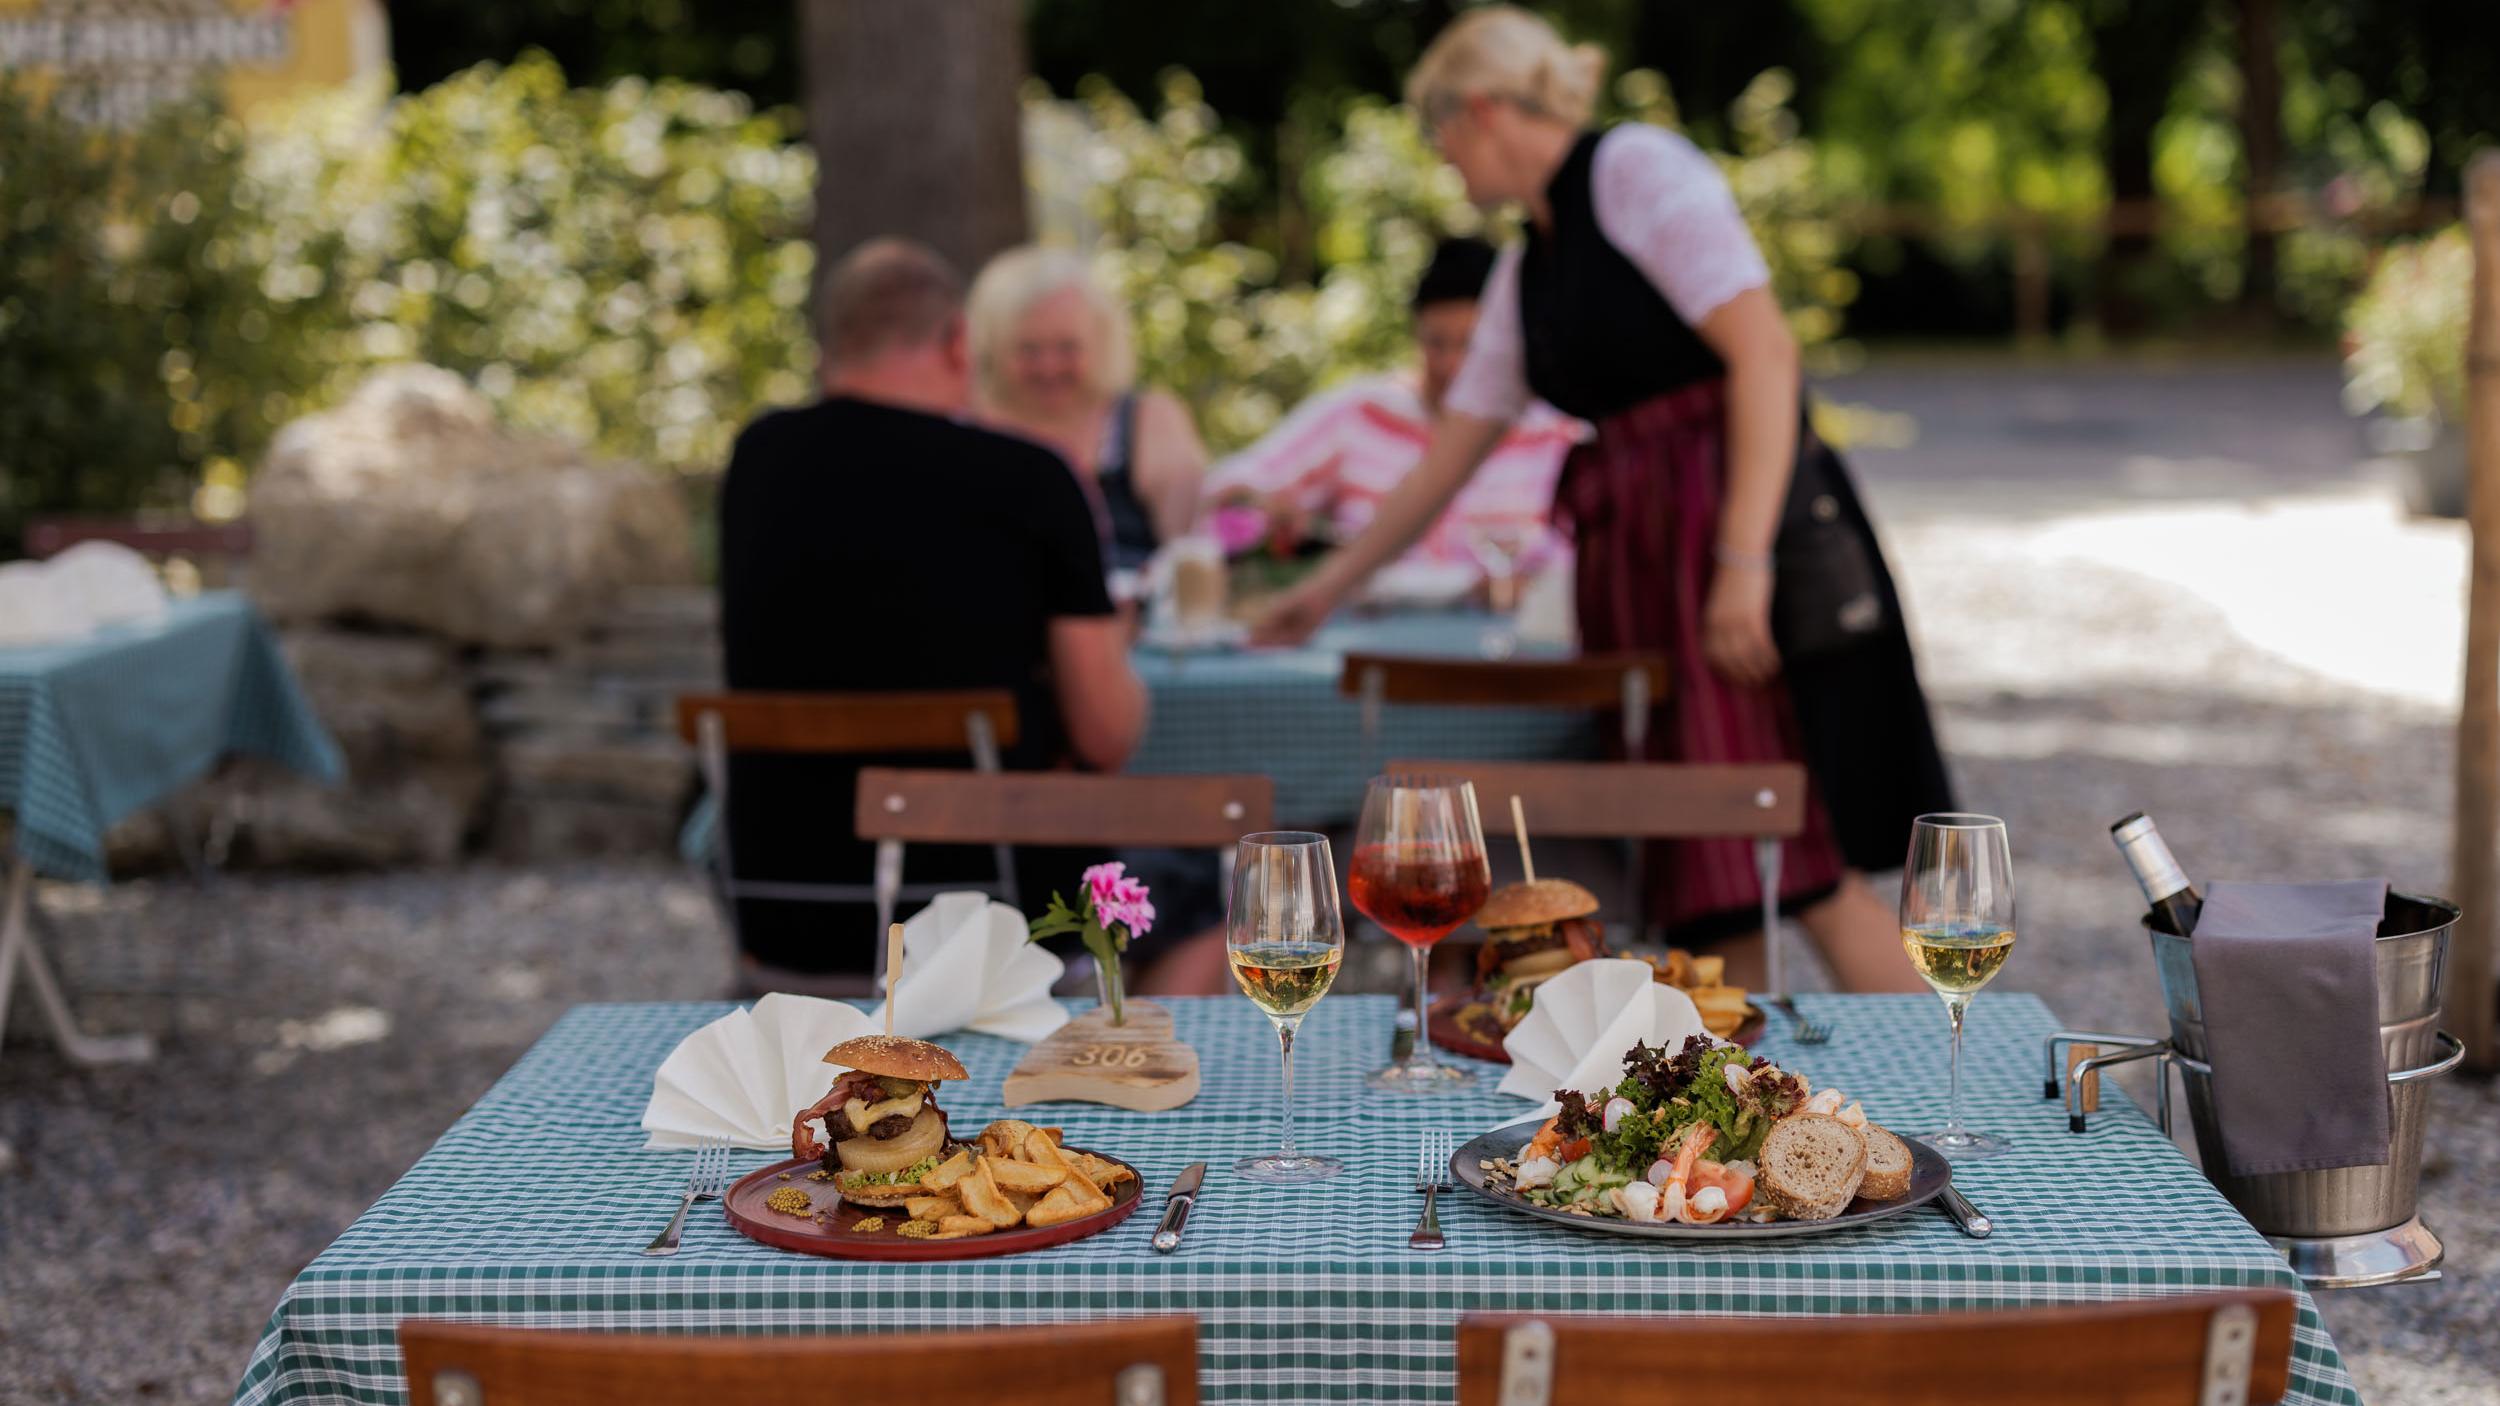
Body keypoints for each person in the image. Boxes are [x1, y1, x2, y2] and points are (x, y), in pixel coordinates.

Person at [1255, 8, 1953, 993]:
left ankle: (1971, 1086)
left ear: (1482, 111)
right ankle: (1741, 1095)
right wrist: (1318, 593)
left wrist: (1740, 565)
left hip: (1721, 527)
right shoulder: (1525, 262)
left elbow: (1763, 352)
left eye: (1440, 136)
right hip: (1641, 554)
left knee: (1787, 848)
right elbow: (1449, 454)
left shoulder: (1636, 170)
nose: (1444, 163)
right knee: (1702, 864)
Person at [717, 238, 1147, 989]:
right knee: (1192, 890)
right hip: (1002, 918)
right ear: (958, 341)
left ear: (831, 348)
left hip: (792, 915)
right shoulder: (1032, 477)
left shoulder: (757, 461)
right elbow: (1106, 735)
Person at [1205, 235, 1583, 585]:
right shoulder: (1364, 414)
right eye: (1436, 343)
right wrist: (1263, 509)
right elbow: (1233, 487)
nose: (1451, 366)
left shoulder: (1559, 434)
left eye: (1471, 345)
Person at [967, 246, 1208, 573]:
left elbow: (1187, 551)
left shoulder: (1148, 419)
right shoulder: (963, 426)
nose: (1048, 368)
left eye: (1067, 347)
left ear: (1100, 341)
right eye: (1028, 349)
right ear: (992, 346)